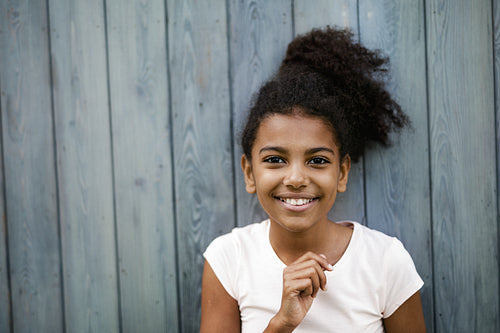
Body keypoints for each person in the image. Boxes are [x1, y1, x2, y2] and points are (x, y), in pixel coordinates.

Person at [200, 27, 426, 332]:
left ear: (342, 173)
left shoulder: (385, 261)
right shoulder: (228, 259)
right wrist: (282, 323)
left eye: (317, 160)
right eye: (275, 160)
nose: (295, 178)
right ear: (249, 173)